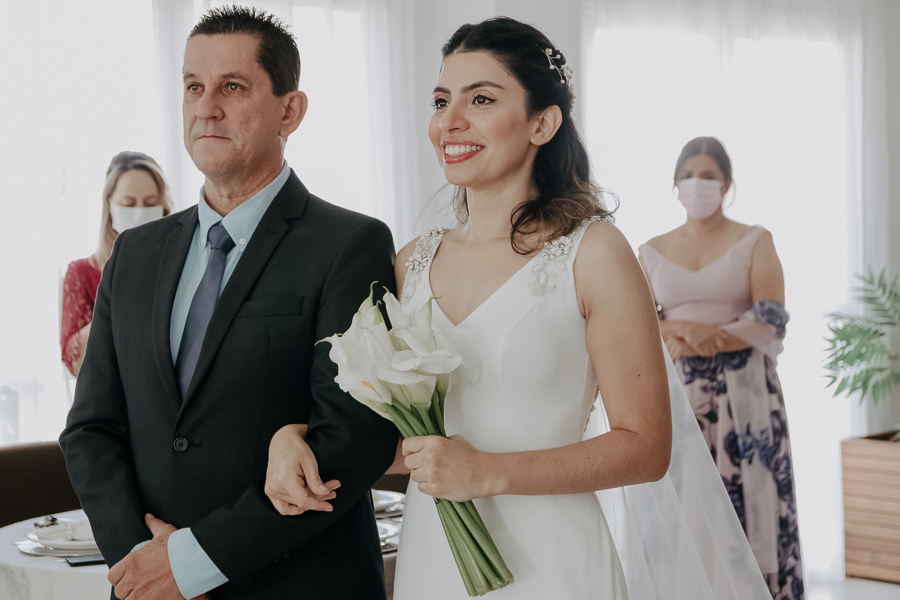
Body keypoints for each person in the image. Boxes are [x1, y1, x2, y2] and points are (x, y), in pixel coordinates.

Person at [264, 18, 773, 600]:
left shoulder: (595, 253)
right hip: (435, 561)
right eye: (440, 100)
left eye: (480, 99)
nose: (448, 121)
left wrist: (488, 472)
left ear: (542, 122)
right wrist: (295, 434)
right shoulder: (408, 263)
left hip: (554, 563)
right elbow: (387, 436)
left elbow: (646, 447)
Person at [59, 6, 397, 600]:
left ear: (289, 111)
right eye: (194, 87)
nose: (205, 107)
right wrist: (141, 558)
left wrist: (192, 562)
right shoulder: (135, 254)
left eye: (232, 87)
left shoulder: (350, 244)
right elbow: (91, 429)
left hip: (298, 583)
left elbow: (352, 438)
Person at [638, 136, 803, 599]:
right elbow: (640, 324)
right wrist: (685, 332)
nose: (698, 184)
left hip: (747, 389)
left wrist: (708, 337)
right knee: (685, 502)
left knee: (753, 504)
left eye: (708, 175)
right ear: (675, 185)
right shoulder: (649, 250)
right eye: (688, 175)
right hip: (679, 392)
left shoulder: (755, 239)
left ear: (727, 183)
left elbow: (771, 316)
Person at [60, 151, 172, 376]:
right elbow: (75, 363)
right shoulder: (81, 273)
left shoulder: (179, 265)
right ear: (110, 205)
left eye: (150, 203)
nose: (139, 213)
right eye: (128, 204)